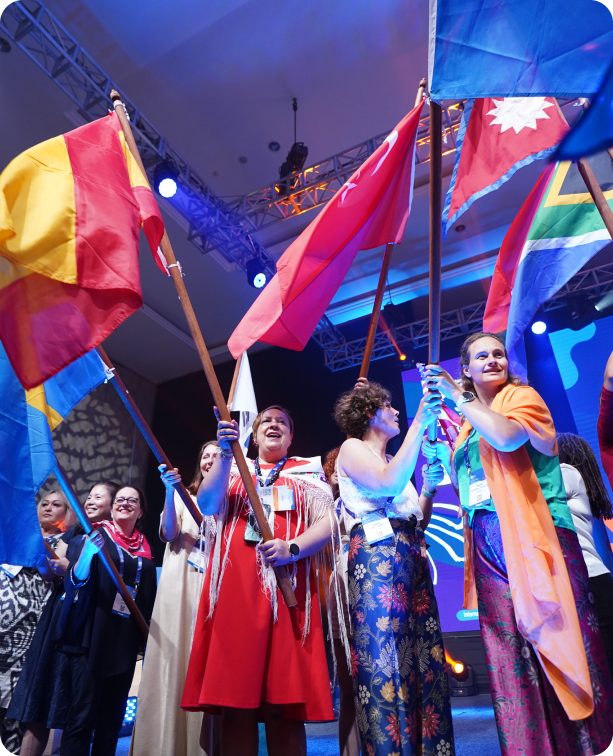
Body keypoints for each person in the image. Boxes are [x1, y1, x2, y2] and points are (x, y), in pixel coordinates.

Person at [423, 331, 613, 756]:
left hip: (537, 536)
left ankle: (585, 745)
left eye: (498, 353)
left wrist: (459, 396)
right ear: (467, 369)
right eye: (482, 356)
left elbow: (508, 438)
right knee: (511, 654)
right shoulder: (467, 426)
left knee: (559, 641)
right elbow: (470, 489)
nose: (493, 359)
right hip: (488, 543)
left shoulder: (522, 398)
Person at [182, 405, 338, 756]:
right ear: (253, 435)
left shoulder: (306, 471)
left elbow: (328, 523)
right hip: (236, 594)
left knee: (283, 705)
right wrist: (226, 452)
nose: (274, 425)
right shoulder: (234, 468)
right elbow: (207, 504)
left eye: (282, 422)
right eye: (266, 421)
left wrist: (292, 548)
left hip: (287, 592)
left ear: (291, 436)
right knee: (235, 704)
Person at [334, 381, 454, 756]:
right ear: (371, 413)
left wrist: (428, 489)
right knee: (385, 660)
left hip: (410, 553)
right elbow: (387, 484)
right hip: (377, 559)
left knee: (423, 658)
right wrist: (420, 419)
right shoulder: (352, 448)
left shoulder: (390, 459)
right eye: (388, 405)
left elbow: (415, 518)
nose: (397, 411)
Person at [8, 482, 119, 756]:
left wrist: (73, 568)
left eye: (98, 497)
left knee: (75, 708)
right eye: (89, 496)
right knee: (40, 701)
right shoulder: (74, 533)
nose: (90, 501)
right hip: (59, 617)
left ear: (113, 504)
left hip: (90, 624)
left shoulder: (115, 539)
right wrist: (62, 563)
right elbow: (56, 569)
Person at [131, 441, 221, 756]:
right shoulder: (186, 497)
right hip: (179, 587)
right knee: (174, 659)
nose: (211, 459)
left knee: (207, 664)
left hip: (215, 591)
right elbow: (169, 533)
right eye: (205, 455)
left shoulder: (232, 503)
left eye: (218, 455)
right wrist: (170, 492)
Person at [0, 489, 72, 754]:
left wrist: (37, 540)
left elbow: (54, 574)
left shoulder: (66, 541)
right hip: (3, 627)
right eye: (44, 503)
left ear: (67, 513)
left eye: (56, 504)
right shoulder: (14, 537)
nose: (48, 507)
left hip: (29, 630)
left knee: (15, 700)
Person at [557, 432, 613, 680]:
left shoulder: (566, 472)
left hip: (590, 581)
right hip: (592, 581)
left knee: (604, 668)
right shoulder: (574, 478)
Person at [323, 446, 359, 756]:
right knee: (348, 688)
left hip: (375, 585)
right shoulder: (328, 505)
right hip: (341, 587)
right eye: (335, 469)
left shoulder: (374, 496)